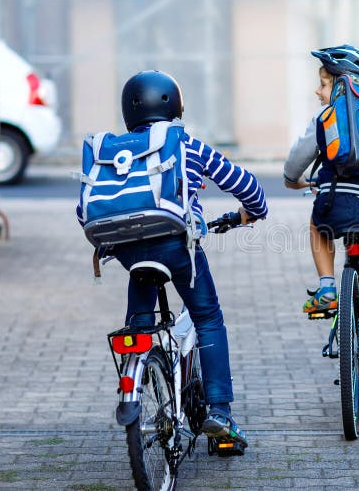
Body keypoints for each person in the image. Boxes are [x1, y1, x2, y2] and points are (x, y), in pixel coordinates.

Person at [77, 70, 268, 449]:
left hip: (130, 251)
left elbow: (84, 209)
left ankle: (139, 374)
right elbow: (249, 187)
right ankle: (219, 413)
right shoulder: (187, 145)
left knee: (139, 323)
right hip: (177, 248)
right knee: (208, 317)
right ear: (174, 105)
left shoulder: (114, 154)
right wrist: (252, 212)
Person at [283, 45, 359, 389]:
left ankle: (327, 288)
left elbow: (295, 163)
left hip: (335, 204)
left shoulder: (329, 116)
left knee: (317, 225)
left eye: (323, 83)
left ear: (341, 87)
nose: (317, 91)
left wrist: (293, 181)